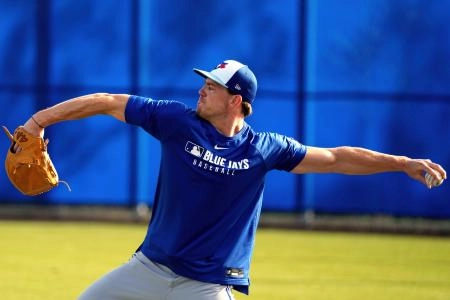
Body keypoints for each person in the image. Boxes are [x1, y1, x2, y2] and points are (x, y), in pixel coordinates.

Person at [21, 60, 446, 300]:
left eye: (213, 86)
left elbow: (337, 158)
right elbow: (105, 101)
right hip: (148, 270)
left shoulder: (264, 148)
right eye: (205, 82)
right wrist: (39, 121)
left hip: (207, 286)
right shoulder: (175, 120)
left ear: (236, 100)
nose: (203, 89)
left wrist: (402, 162)